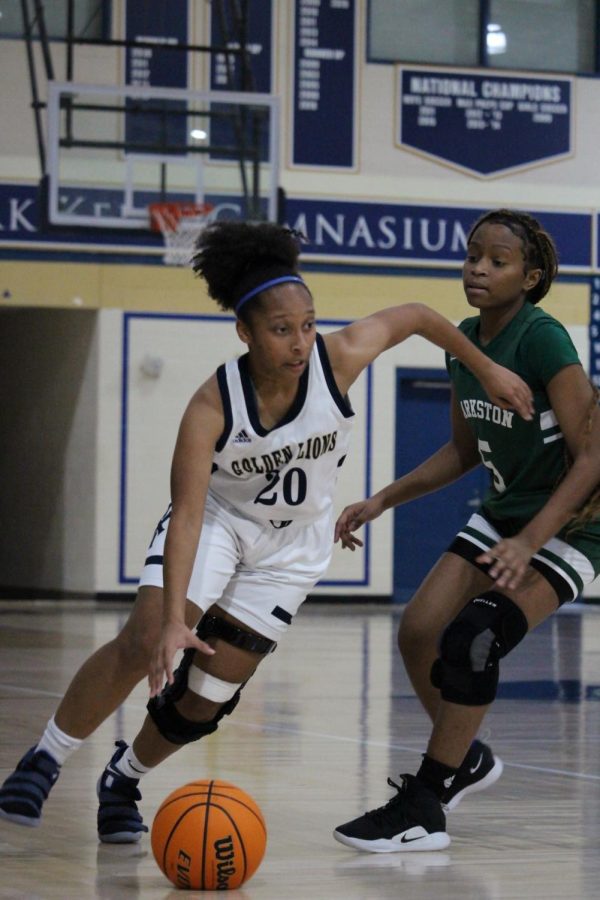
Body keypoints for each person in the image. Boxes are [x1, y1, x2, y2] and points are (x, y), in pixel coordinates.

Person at [0, 219, 534, 843]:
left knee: (208, 695)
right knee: (147, 635)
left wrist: (487, 370)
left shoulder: (338, 360)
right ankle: (45, 758)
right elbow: (191, 515)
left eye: (308, 324)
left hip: (294, 547)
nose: (300, 341)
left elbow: (417, 314)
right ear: (245, 332)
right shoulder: (212, 405)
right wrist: (175, 617)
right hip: (222, 525)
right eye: (282, 330)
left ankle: (123, 777)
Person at [332, 208, 600, 853]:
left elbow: (592, 457)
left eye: (497, 260)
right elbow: (462, 451)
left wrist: (531, 540)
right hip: (504, 514)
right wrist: (382, 499)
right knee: (419, 631)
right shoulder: (466, 342)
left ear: (529, 276)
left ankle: (425, 803)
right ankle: (466, 758)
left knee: (475, 639)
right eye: (472, 255)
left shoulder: (544, 340)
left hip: (574, 523)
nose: (478, 268)